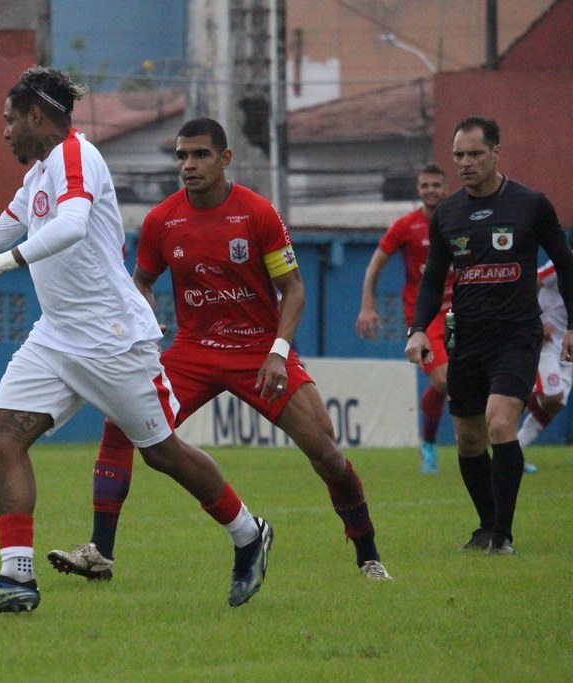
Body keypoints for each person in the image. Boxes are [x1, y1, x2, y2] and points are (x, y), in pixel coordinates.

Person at [0, 67, 273, 614]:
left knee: (162, 453)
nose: (4, 132)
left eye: (9, 120)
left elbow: (69, 227)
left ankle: (248, 534)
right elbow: (5, 228)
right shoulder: (40, 172)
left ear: (37, 117)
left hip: (111, 337)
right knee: (2, 438)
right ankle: (16, 580)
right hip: (57, 337)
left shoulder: (77, 155)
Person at [47, 117, 392, 585]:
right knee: (120, 421)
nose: (188, 165)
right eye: (181, 156)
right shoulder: (162, 220)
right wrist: (145, 315)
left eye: (200, 155)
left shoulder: (256, 213)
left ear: (225, 159)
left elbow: (292, 289)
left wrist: (278, 350)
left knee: (324, 449)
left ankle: (368, 554)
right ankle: (100, 552)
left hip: (257, 352)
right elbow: (142, 281)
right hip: (192, 350)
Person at [405, 115, 573, 555]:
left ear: (497, 152)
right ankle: (485, 527)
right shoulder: (448, 214)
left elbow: (566, 262)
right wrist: (419, 329)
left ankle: (503, 534)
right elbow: (431, 278)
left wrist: (572, 324)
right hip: (467, 338)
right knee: (468, 438)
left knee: (500, 422)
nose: (465, 162)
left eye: (475, 153)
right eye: (459, 155)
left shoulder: (531, 204)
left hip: (516, 335)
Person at [355, 164, 451, 474]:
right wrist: (367, 307)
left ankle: (504, 449)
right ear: (418, 190)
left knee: (468, 382)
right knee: (443, 380)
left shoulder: (457, 223)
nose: (431, 190)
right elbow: (374, 266)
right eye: (425, 185)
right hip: (424, 318)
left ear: (445, 188)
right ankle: (429, 446)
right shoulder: (406, 226)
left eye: (436, 185)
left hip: (463, 314)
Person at [516, 260, 572, 467]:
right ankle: (501, 405)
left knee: (555, 405)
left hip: (569, 346)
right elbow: (528, 282)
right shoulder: (564, 260)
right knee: (552, 396)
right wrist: (536, 320)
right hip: (547, 343)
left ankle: (515, 451)